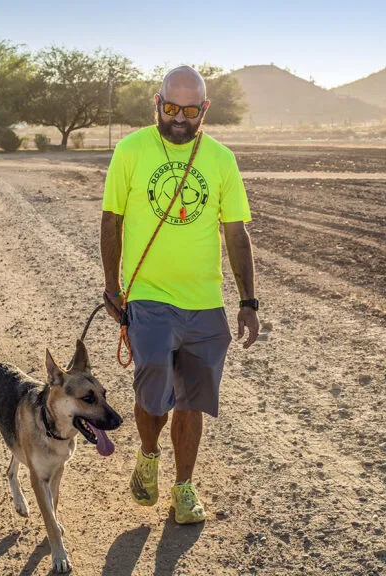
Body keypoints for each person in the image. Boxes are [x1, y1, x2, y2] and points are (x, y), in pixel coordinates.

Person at [101, 66, 259, 524]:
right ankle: (148, 454)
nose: (179, 119)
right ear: (157, 103)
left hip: (205, 303)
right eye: (171, 108)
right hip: (149, 296)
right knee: (155, 392)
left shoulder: (222, 160)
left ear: (204, 110)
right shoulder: (131, 150)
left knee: (192, 400)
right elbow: (112, 220)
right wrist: (113, 286)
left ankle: (183, 489)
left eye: (190, 111)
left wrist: (248, 302)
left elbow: (236, 232)